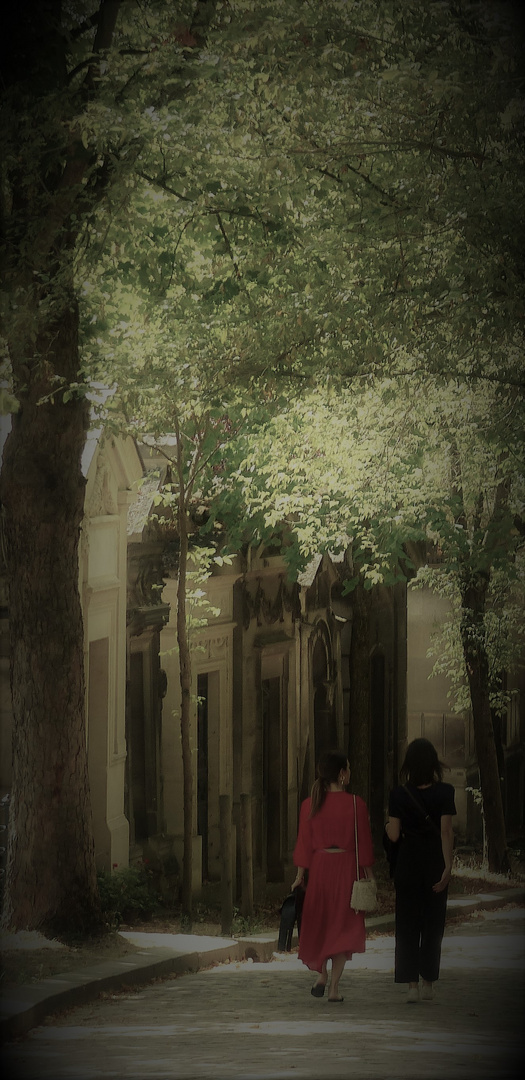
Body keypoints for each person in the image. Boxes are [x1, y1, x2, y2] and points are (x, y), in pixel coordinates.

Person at [291, 749, 374, 1002]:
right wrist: (370, 875)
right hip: (347, 868)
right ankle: (335, 989)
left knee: (321, 922)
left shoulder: (309, 804)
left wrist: (299, 875)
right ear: (341, 774)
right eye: (348, 768)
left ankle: (321, 974)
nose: (350, 772)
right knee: (342, 926)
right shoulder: (356, 803)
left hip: (319, 869)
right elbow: (364, 845)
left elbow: (304, 843)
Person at [385, 737, 456, 1003]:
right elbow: (446, 832)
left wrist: (386, 828)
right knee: (433, 923)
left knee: (406, 924)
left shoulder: (399, 794)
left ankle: (411, 986)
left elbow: (393, 835)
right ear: (433, 763)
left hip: (408, 862)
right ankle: (429, 981)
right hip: (434, 862)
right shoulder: (445, 792)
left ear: (409, 765)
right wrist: (448, 866)